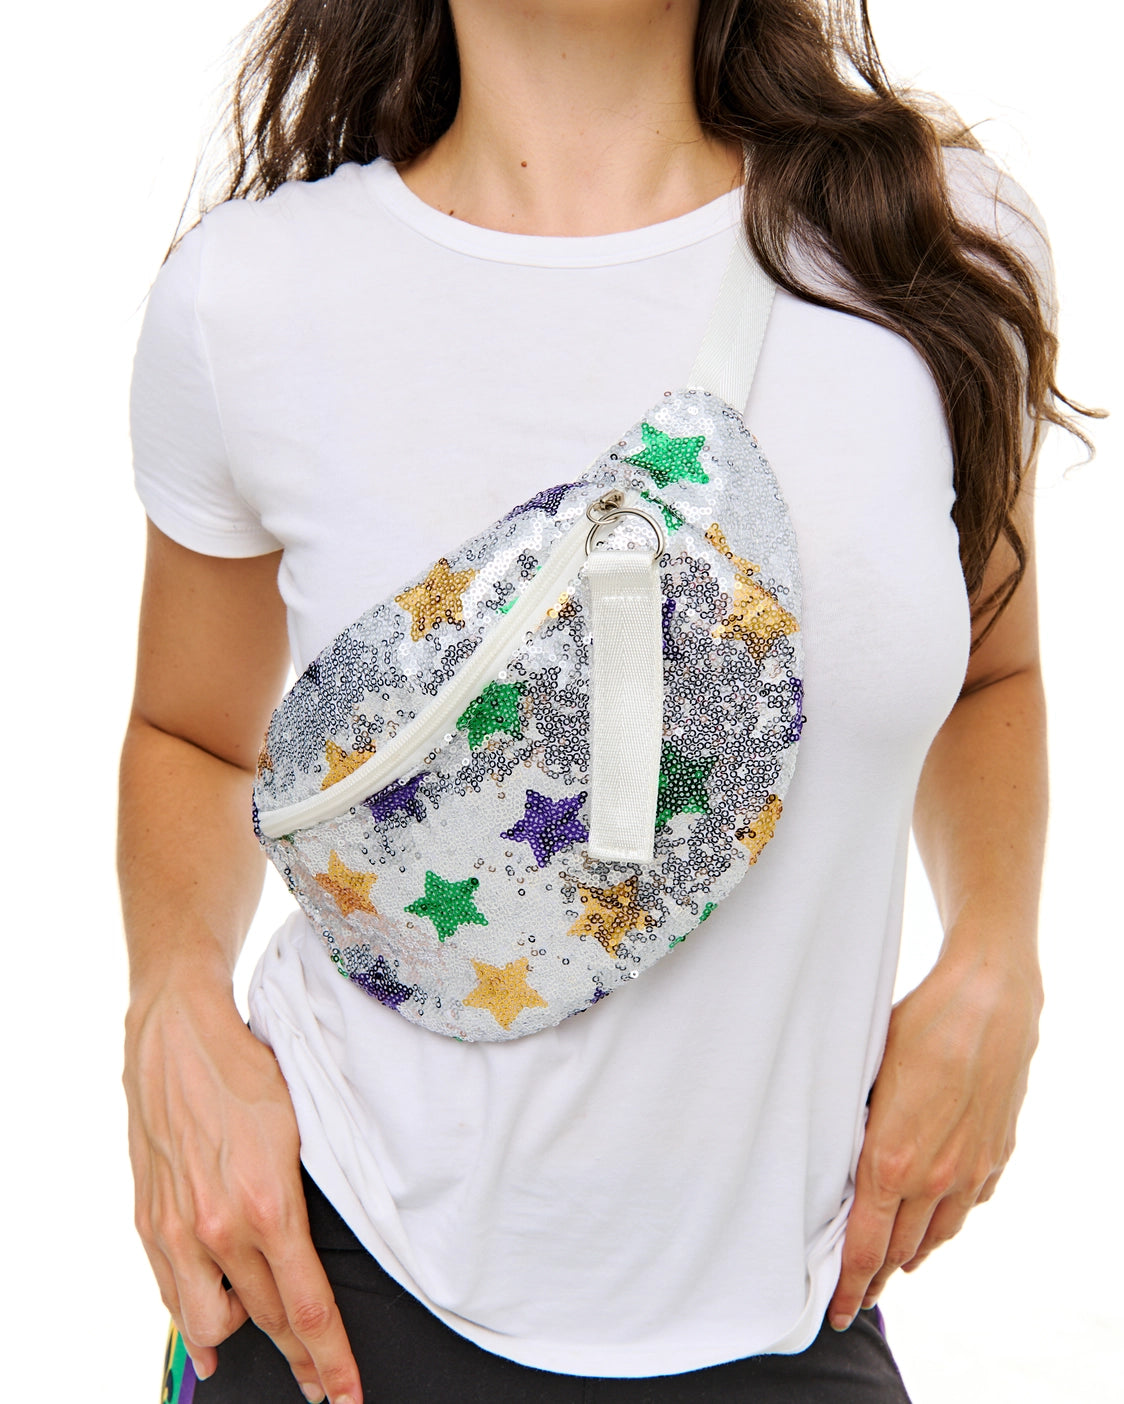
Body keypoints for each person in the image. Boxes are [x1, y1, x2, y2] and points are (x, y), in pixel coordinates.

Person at [120, 2, 1088, 1400]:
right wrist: (171, 1003)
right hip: (342, 1291)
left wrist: (998, 954)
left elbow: (992, 670)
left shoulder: (933, 243)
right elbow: (191, 735)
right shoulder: (251, 300)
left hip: (789, 1312)